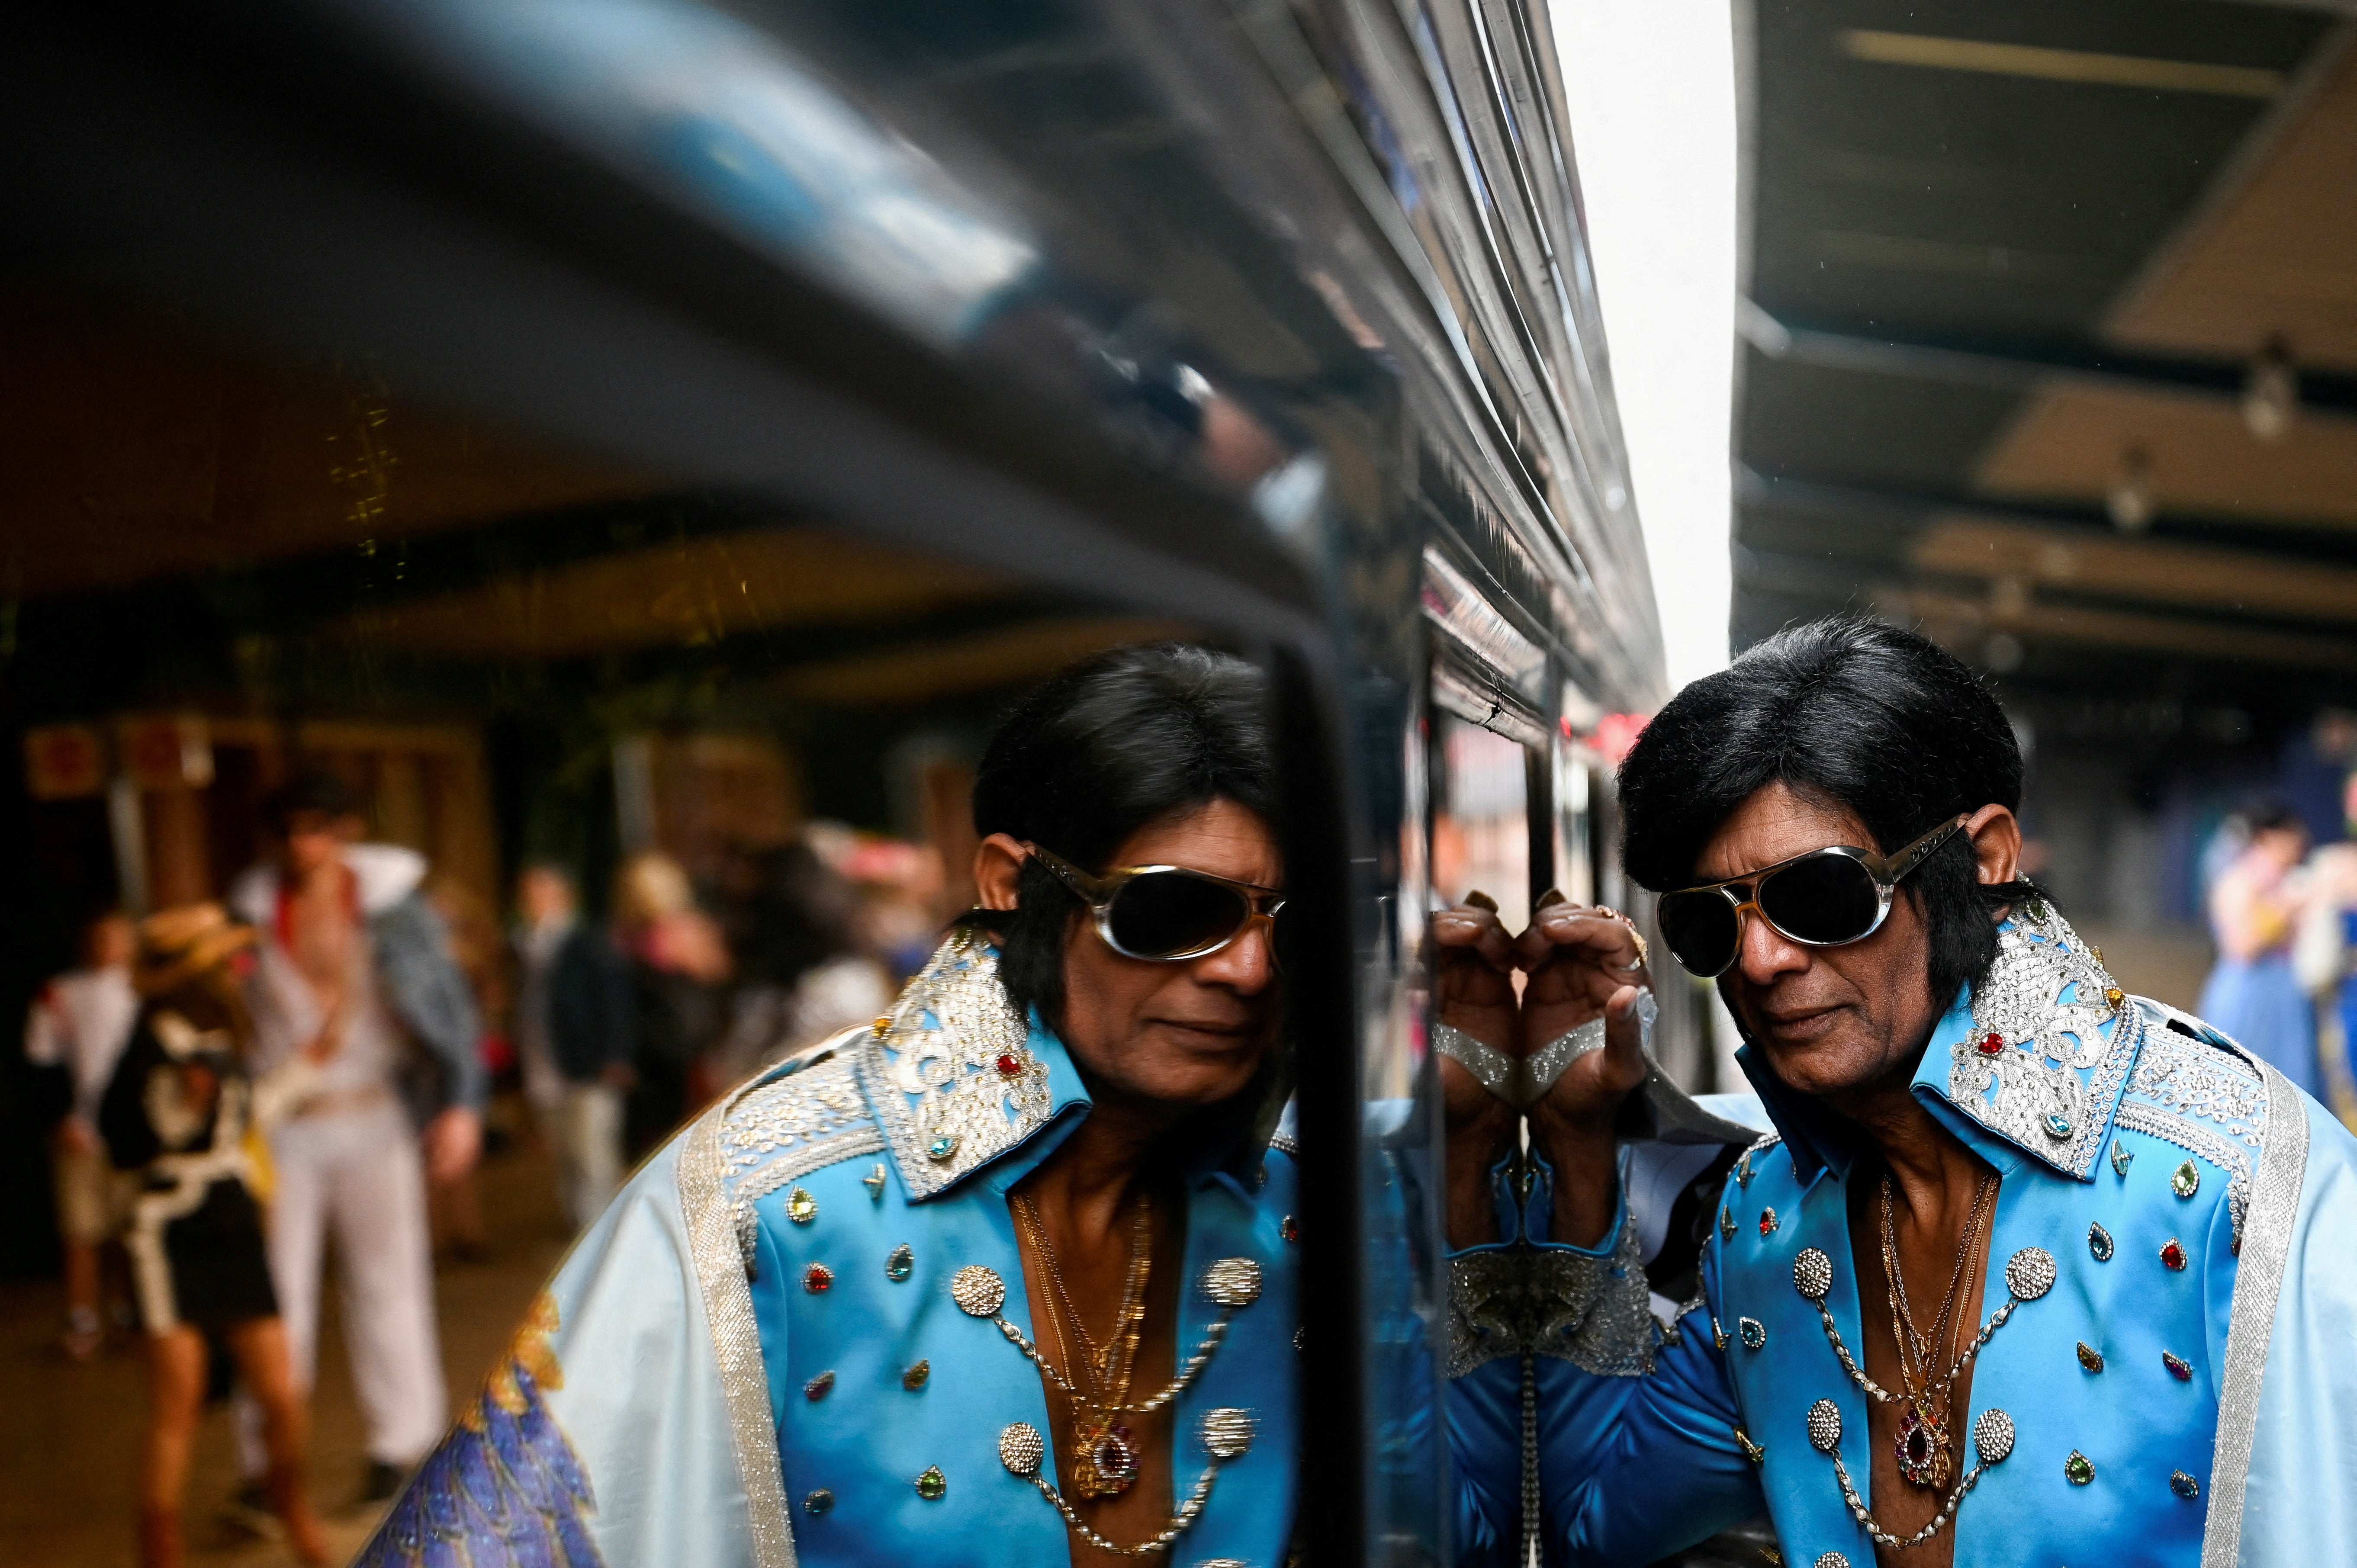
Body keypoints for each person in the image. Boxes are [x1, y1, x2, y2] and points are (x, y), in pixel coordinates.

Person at [354, 643, 1299, 1568]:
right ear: (1011, 887)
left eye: (1294, 923)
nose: (1247, 972)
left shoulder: (1317, 1190)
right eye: (1174, 914)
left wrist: (1458, 1183)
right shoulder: (765, 1203)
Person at [1440, 617, 2357, 1567]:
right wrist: (1565, 1145)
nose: (1757, 961)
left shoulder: (2252, 1197)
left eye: (1820, 898)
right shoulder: (1760, 1226)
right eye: (1706, 923)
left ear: (1985, 859)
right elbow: (1584, 1522)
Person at [227, 771, 487, 1506]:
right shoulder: (248, 911)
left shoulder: (390, 906)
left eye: (317, 826)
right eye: (287, 830)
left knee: (390, 1280)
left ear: (345, 828)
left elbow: (449, 1005)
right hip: (281, 1125)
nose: (302, 844)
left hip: (374, 1109)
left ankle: (400, 1443)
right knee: (272, 1295)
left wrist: (461, 1105)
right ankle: (265, 1461)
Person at [99, 903, 328, 1568]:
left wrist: (307, 1067)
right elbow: (129, 1135)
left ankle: (293, 1508)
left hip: (230, 1224)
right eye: (226, 957)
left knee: (281, 1392)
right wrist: (181, 1106)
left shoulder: (217, 1034)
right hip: (169, 1231)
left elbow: (241, 1116)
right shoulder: (152, 1042)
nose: (239, 966)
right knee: (179, 1399)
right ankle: (159, 1547)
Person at [23, 908, 140, 1359]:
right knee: (81, 1232)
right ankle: (83, 1320)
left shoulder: (147, 990)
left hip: (134, 1134)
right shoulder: (60, 993)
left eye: (117, 937)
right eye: (99, 937)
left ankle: (132, 1315)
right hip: (83, 1131)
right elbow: (42, 1061)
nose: (107, 947)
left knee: (133, 1232)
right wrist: (61, 1119)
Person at [513, 863, 636, 1231]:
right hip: (547, 1067)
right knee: (567, 1156)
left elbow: (614, 1001)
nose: (531, 902)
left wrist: (615, 1056)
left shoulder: (586, 943)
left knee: (594, 1158)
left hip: (588, 1067)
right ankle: (580, 1234)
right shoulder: (524, 946)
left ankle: (601, 1235)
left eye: (539, 893)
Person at [612, 850, 733, 1155]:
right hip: (667, 1054)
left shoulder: (634, 937)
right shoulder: (682, 929)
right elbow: (718, 979)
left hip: (671, 1055)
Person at [2199, 801, 2318, 1099]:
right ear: (2268, 837)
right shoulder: (2241, 880)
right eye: (2292, 837)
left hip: (2287, 992)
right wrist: (2285, 909)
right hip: (2250, 990)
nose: (2299, 845)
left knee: (2293, 1082)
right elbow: (2241, 946)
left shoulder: (2291, 879)